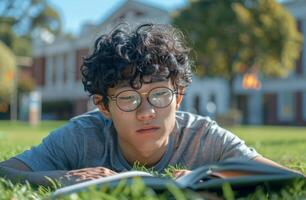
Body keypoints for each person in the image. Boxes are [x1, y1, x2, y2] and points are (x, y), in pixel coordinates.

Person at [0, 23, 294, 187]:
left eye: (160, 95)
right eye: (128, 98)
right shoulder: (82, 135)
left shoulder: (203, 136)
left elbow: (289, 178)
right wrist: (60, 178)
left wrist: (215, 176)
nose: (147, 112)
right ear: (104, 106)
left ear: (178, 97)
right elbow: (7, 171)